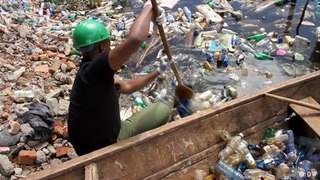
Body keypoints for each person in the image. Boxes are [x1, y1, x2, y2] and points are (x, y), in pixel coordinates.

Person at [68, 3, 171, 156]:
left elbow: (127, 86)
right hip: (105, 147)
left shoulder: (88, 72)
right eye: (108, 42)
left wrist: (157, 72)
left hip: (84, 147)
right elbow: (135, 39)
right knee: (163, 110)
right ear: (103, 47)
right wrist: (149, 9)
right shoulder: (98, 68)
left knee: (120, 94)